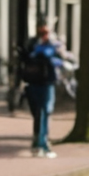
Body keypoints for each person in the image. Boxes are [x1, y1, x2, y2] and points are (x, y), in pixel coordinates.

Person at [19, 23, 63, 157]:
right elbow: (52, 58)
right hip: (43, 84)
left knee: (39, 114)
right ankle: (42, 145)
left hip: (33, 83)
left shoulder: (32, 45)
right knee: (44, 112)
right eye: (44, 32)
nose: (45, 35)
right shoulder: (45, 46)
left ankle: (37, 144)